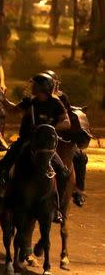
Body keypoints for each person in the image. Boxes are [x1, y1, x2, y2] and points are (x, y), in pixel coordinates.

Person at [0, 72, 72, 222]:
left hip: (45, 145)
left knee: (62, 171)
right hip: (26, 141)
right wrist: (1, 98)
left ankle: (56, 207)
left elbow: (66, 122)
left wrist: (49, 126)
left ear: (44, 87)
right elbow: (13, 110)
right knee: (1, 166)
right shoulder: (30, 102)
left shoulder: (56, 103)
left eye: (36, 85)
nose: (32, 87)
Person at [44, 70, 90, 207]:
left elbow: (68, 115)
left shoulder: (61, 97)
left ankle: (78, 190)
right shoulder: (38, 98)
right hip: (42, 137)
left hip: (61, 139)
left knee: (81, 157)